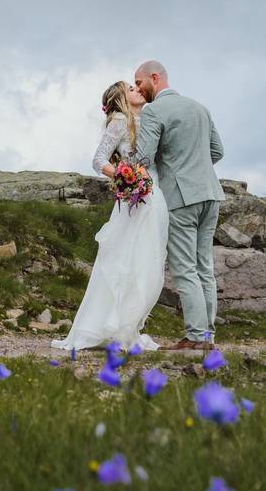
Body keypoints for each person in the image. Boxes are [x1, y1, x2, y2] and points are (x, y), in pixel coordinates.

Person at [51, 80, 169, 352]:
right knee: (124, 261)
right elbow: (98, 159)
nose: (137, 90)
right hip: (136, 198)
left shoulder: (146, 118)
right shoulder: (119, 120)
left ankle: (126, 328)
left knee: (146, 261)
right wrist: (125, 176)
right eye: (131, 89)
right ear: (120, 99)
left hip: (154, 194)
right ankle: (106, 325)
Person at [134, 60, 226, 351]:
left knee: (185, 268)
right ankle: (208, 336)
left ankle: (196, 336)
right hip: (211, 193)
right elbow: (218, 151)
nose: (138, 89)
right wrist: (195, 166)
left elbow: (144, 157)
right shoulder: (200, 107)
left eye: (139, 83)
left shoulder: (154, 111)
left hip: (181, 197)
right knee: (204, 267)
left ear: (155, 77)